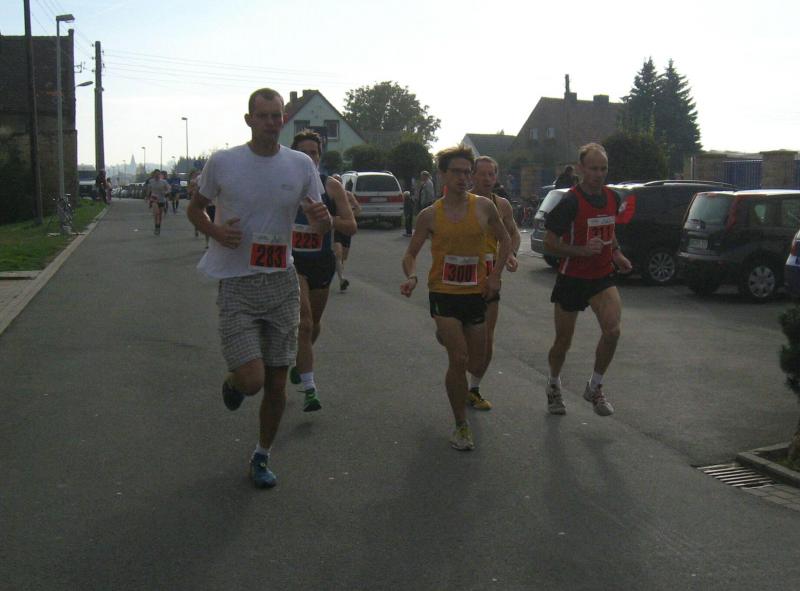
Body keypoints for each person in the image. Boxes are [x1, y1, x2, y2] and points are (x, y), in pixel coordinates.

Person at [186, 88, 332, 489]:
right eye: (263, 115)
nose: (271, 122)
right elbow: (195, 209)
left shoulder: (300, 164)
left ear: (284, 119)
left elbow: (319, 224)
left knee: (278, 381)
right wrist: (216, 231)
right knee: (252, 380)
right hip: (237, 282)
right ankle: (234, 383)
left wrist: (322, 220)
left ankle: (262, 455)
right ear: (249, 119)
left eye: (277, 115)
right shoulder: (224, 162)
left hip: (281, 281)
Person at [400, 144, 510, 451]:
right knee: (458, 359)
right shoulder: (429, 215)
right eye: (456, 172)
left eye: (467, 172)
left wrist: (496, 275)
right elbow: (410, 254)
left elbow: (505, 240)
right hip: (444, 293)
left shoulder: (484, 207)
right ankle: (461, 425)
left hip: (476, 292)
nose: (463, 178)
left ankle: (447, 335)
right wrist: (411, 276)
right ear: (443, 175)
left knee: (477, 360)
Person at [542, 143, 632, 416]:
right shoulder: (569, 202)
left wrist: (616, 253)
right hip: (572, 278)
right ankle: (553, 384)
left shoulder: (612, 197)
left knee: (613, 331)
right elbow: (549, 243)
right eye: (593, 168)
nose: (598, 174)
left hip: (601, 276)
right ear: (581, 169)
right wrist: (581, 250)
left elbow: (609, 229)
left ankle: (594, 387)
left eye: (603, 169)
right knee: (563, 342)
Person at [288, 130, 357, 412]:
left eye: (314, 153)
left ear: (319, 156)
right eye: (303, 153)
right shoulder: (284, 184)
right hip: (292, 262)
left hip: (321, 262)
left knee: (314, 324)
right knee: (304, 323)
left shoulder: (331, 187)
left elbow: (351, 226)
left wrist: (330, 220)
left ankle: (301, 362)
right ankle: (310, 388)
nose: (309, 158)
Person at [466, 156, 521, 410]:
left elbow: (513, 234)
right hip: (462, 278)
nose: (487, 179)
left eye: (491, 174)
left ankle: (474, 389)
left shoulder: (502, 205)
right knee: (460, 338)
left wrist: (510, 255)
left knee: (486, 338)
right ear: (472, 176)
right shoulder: (462, 202)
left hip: (490, 276)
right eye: (482, 174)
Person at [331, 173, 361, 291]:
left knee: (343, 257)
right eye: (334, 181)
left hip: (346, 229)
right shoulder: (329, 196)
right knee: (338, 253)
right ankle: (342, 279)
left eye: (338, 181)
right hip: (336, 228)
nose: (336, 183)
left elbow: (358, 209)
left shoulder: (348, 195)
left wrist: (349, 216)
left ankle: (337, 273)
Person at [146, 169, 170, 235]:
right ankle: (156, 227)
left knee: (160, 215)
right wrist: (147, 196)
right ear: (154, 175)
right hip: (154, 198)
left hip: (162, 199)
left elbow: (169, 188)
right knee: (156, 213)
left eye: (158, 174)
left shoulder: (164, 182)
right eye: (156, 174)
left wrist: (166, 192)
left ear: (160, 175)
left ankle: (158, 227)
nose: (157, 175)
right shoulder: (151, 181)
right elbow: (149, 189)